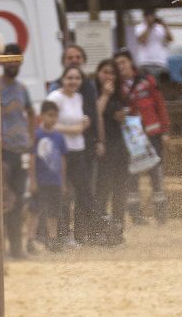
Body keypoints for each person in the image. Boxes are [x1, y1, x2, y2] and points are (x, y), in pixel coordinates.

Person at [115, 49, 170, 225]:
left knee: (156, 173)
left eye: (123, 62)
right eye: (117, 65)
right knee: (132, 174)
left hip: (152, 134)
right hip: (131, 138)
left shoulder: (147, 81)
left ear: (130, 63)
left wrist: (165, 129)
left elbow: (160, 104)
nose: (120, 67)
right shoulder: (116, 87)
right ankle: (136, 216)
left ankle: (161, 215)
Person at [45, 66, 93, 245]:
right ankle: (60, 235)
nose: (73, 81)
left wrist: (82, 125)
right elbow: (48, 123)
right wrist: (75, 129)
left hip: (77, 151)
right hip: (59, 152)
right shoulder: (55, 98)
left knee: (83, 192)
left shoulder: (78, 98)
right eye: (69, 78)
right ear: (62, 79)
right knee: (62, 193)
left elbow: (81, 122)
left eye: (77, 78)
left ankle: (80, 233)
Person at [0, 43, 36, 259]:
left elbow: (31, 112)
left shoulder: (22, 89)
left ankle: (17, 249)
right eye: (9, 58)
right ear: (2, 60)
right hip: (1, 152)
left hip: (20, 150)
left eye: (16, 58)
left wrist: (30, 138)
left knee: (19, 199)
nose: (13, 62)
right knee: (2, 198)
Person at [93, 57, 131, 245]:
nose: (109, 76)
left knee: (120, 191)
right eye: (105, 72)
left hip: (120, 148)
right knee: (102, 191)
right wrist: (105, 95)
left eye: (112, 73)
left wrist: (123, 116)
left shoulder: (119, 94)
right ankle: (101, 230)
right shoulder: (95, 93)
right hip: (103, 148)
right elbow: (95, 113)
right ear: (98, 73)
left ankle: (117, 230)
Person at [26, 100, 67, 252]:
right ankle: (30, 240)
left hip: (54, 181)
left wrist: (62, 182)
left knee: (53, 212)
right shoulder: (36, 135)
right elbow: (32, 158)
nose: (53, 119)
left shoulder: (59, 137)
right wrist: (32, 181)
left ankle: (53, 240)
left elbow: (62, 159)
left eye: (56, 116)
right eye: (50, 115)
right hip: (40, 180)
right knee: (34, 210)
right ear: (42, 116)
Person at [133, 8, 174, 84]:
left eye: (152, 16)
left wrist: (165, 25)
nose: (151, 18)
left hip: (160, 62)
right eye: (149, 16)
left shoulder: (160, 28)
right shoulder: (139, 27)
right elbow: (141, 40)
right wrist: (149, 27)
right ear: (145, 17)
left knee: (160, 87)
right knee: (146, 85)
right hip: (145, 62)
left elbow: (170, 39)